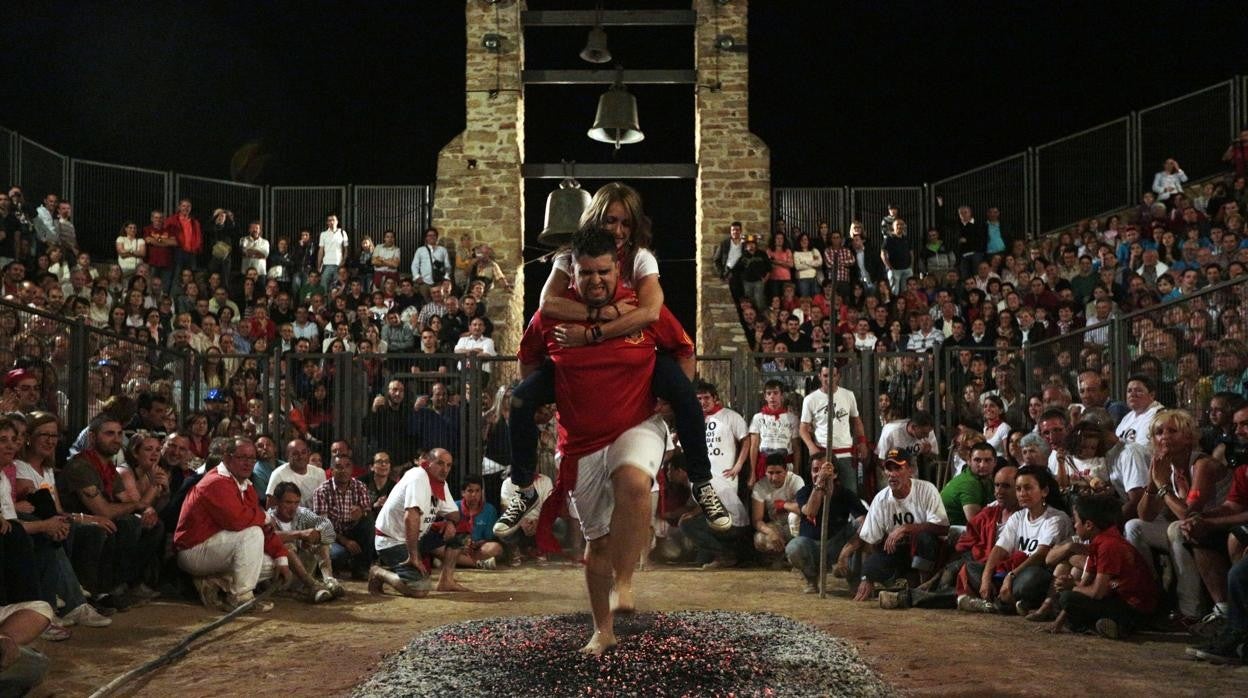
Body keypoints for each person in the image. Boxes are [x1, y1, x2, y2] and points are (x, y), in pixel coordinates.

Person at [497, 183, 729, 543]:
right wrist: (599, 314)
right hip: (579, 365)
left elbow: (650, 312)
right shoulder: (569, 255)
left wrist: (594, 333)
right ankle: (523, 487)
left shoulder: (640, 260)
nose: (618, 231)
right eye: (609, 221)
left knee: (685, 394)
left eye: (625, 223)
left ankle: (702, 482)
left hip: (639, 355)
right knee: (520, 398)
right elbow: (548, 307)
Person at [515, 225, 695, 654]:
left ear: (619, 270)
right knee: (597, 543)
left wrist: (677, 397)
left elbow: (683, 347)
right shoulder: (552, 315)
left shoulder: (640, 307)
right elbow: (528, 357)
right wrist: (541, 404)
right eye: (587, 273)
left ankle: (627, 583)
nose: (597, 280)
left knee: (634, 482)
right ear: (572, 274)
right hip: (580, 442)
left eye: (604, 272)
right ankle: (603, 629)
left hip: (637, 424)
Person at [174, 437, 292, 612]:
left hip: (215, 547)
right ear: (227, 458)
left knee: (270, 564)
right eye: (242, 457)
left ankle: (213, 583)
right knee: (252, 533)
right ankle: (241, 598)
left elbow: (262, 526)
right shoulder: (215, 482)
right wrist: (262, 516)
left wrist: (282, 559)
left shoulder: (245, 485)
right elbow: (237, 521)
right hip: (192, 549)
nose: (248, 463)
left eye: (252, 458)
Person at [1043, 495, 1159, 639]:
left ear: (1089, 525)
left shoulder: (1109, 545)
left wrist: (1071, 585)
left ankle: (1118, 627)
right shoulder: (1098, 542)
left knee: (1068, 598)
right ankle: (1102, 625)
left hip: (1135, 608)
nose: (1074, 524)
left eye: (1077, 520)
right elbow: (1084, 586)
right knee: (1067, 600)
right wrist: (1057, 623)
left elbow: (1097, 592)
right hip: (1116, 599)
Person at [843, 449, 949, 602]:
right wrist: (867, 575)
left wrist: (906, 528)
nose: (892, 473)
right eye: (888, 469)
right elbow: (870, 539)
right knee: (871, 566)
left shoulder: (927, 490)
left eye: (898, 468)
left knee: (924, 538)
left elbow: (943, 528)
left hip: (928, 552)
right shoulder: (881, 499)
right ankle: (900, 581)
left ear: (910, 470)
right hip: (897, 552)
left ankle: (924, 587)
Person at [975, 465, 1071, 614]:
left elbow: (1041, 555)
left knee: (1030, 578)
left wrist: (1011, 576)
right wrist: (986, 579)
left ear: (1044, 491)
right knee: (973, 568)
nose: (1022, 493)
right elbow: (999, 549)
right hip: (1013, 573)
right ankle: (1009, 601)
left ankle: (1001, 601)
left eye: (1028, 488)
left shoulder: (1056, 519)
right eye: (1018, 489)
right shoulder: (1018, 517)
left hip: (1037, 573)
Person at [370, 448, 465, 598]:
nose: (445, 469)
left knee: (459, 536)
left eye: (448, 465)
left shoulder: (440, 483)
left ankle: (446, 580)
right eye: (440, 463)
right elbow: (411, 517)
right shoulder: (418, 477)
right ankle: (378, 572)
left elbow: (455, 513)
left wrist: (450, 522)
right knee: (419, 589)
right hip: (391, 541)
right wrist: (413, 556)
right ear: (428, 463)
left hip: (415, 537)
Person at [786, 457, 867, 594]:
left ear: (834, 474)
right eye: (815, 470)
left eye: (824, 470)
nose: (819, 474)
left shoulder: (845, 494)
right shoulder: (804, 492)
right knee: (794, 547)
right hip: (812, 547)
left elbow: (865, 522)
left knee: (859, 528)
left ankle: (854, 579)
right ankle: (811, 579)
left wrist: (846, 551)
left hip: (837, 545)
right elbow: (810, 512)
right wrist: (819, 484)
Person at [799, 364, 868, 494]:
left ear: (838, 377)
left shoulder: (848, 395)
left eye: (833, 375)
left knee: (850, 492)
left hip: (845, 453)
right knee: (822, 492)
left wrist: (862, 441)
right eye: (825, 375)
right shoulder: (810, 399)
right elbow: (803, 428)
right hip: (823, 453)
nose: (829, 379)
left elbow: (856, 421)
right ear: (819, 376)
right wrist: (811, 446)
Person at [313, 453, 373, 581]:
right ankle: (331, 568)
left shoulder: (360, 486)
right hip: (332, 537)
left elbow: (368, 514)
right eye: (338, 467)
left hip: (353, 531)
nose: (343, 470)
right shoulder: (322, 491)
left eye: (347, 466)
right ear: (332, 470)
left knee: (369, 522)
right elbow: (323, 526)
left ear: (352, 469)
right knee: (338, 555)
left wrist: (361, 513)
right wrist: (345, 541)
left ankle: (361, 568)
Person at [751, 454, 805, 560]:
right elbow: (757, 520)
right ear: (765, 472)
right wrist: (771, 532)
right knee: (759, 539)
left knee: (794, 517)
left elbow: (804, 509)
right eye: (770, 473)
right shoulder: (760, 487)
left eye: (778, 472)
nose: (774, 478)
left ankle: (797, 556)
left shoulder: (795, 481)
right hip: (777, 524)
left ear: (786, 471)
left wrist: (783, 505)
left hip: (797, 524)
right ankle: (779, 558)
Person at [748, 379, 799, 483]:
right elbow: (754, 446)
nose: (772, 396)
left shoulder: (792, 418)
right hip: (764, 464)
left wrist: (797, 470)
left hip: (786, 462)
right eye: (769, 393)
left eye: (775, 393)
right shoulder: (758, 418)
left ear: (782, 395)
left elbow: (796, 447)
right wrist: (752, 472)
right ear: (765, 396)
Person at [266, 438, 325, 509]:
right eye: (295, 454)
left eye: (303, 452)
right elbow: (270, 508)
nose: (301, 456)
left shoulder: (319, 473)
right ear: (287, 457)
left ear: (308, 453)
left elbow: (324, 503)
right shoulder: (278, 474)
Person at [317, 214, 349, 284]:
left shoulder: (342, 233)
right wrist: (318, 266)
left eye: (333, 220)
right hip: (326, 264)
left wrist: (343, 261)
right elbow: (321, 251)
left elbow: (346, 249)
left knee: (337, 287)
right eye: (329, 220)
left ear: (337, 221)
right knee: (324, 286)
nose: (331, 222)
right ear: (327, 222)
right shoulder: (323, 234)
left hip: (338, 264)